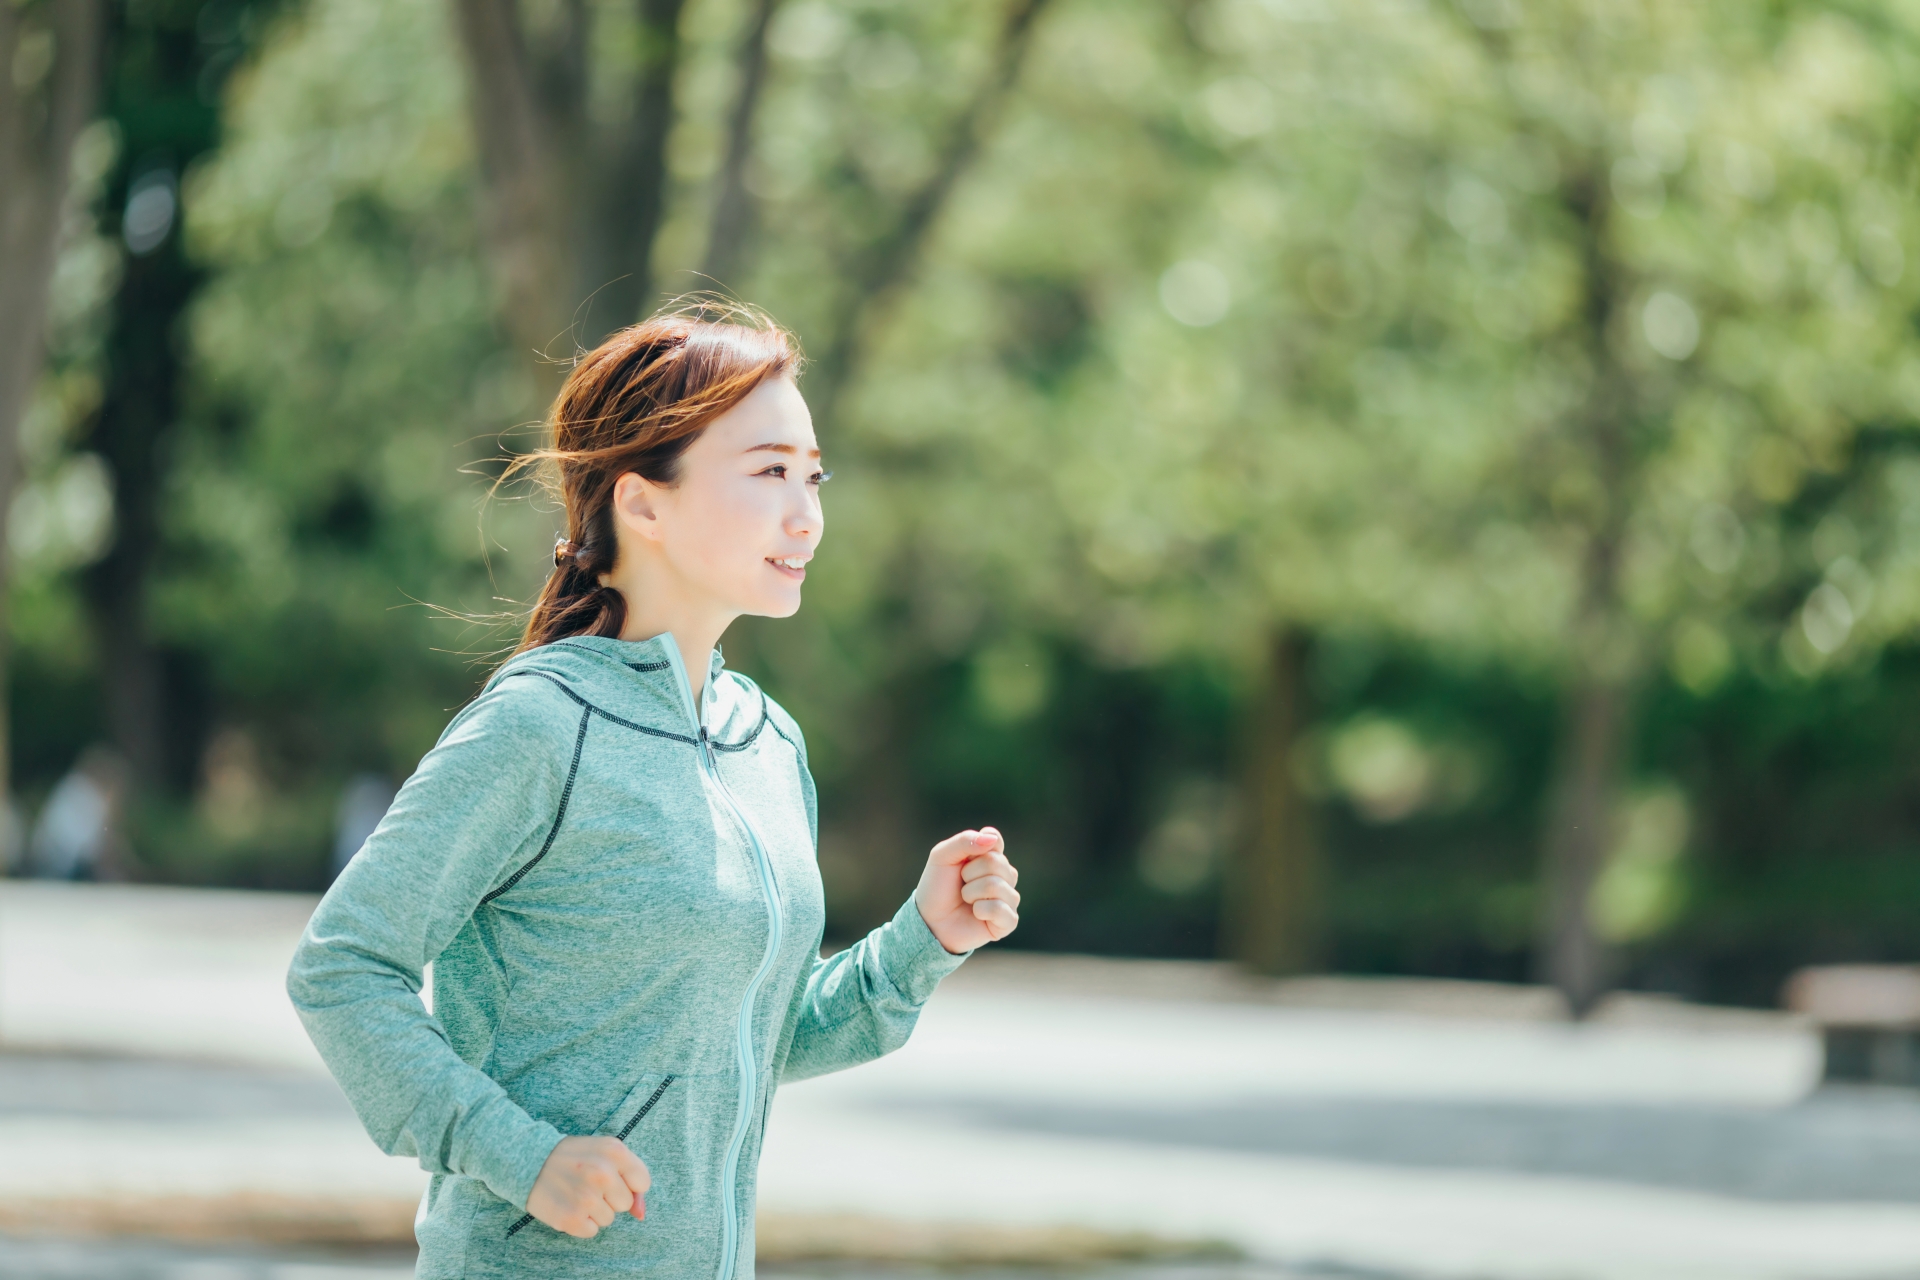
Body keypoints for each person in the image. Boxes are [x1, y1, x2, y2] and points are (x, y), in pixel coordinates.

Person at [285, 307, 1020, 1280]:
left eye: (813, 475)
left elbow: (750, 1038)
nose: (808, 513)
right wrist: (522, 1154)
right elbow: (340, 967)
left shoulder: (768, 741)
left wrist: (921, 942)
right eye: (768, 472)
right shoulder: (541, 727)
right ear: (642, 503)